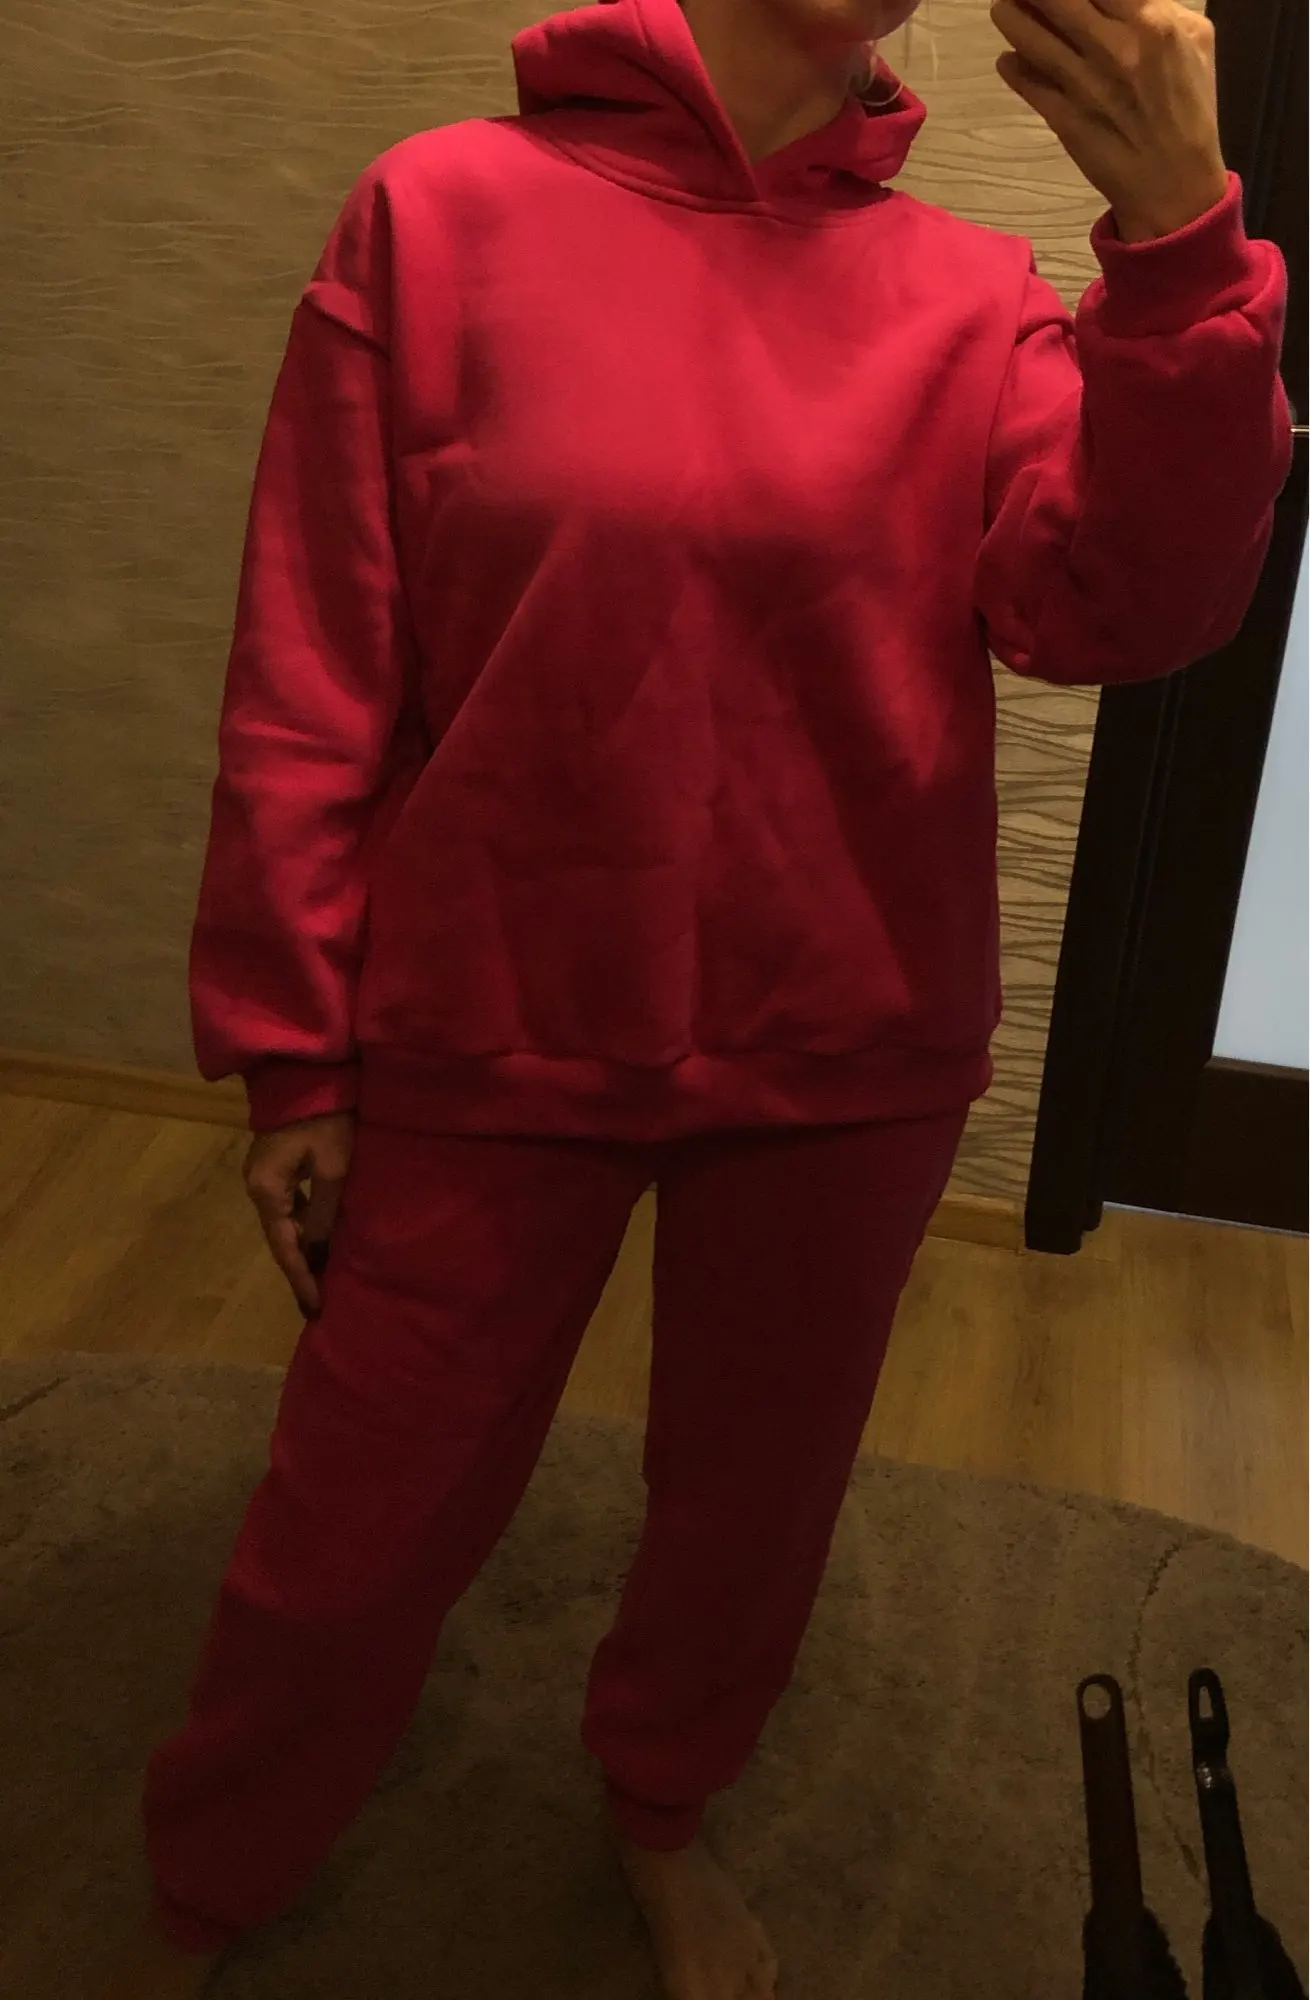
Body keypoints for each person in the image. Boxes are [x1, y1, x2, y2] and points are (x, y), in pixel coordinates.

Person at [93, 0, 1291, 1993]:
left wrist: (1180, 248)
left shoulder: (969, 298)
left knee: (750, 1517)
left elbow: (1128, 608)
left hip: (848, 1047)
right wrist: (293, 1051)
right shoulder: (437, 216)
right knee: (352, 1527)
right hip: (484, 1023)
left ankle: (660, 1801)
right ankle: (214, 1864)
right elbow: (313, 668)